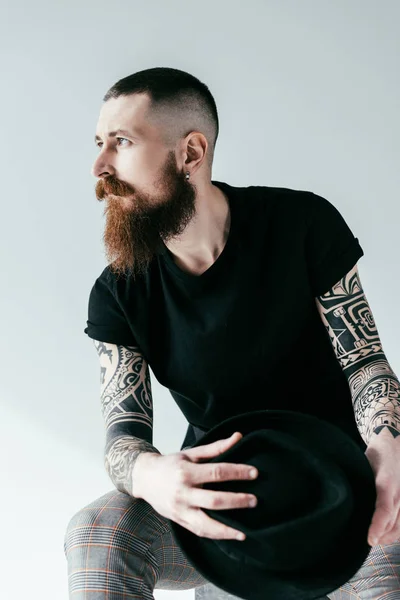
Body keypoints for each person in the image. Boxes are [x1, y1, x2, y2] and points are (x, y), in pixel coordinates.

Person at [64, 67, 400, 599]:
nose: (99, 167)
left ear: (191, 154)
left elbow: (365, 364)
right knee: (98, 532)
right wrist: (152, 475)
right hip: (222, 514)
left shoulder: (301, 223)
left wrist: (391, 448)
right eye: (99, 144)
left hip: (347, 497)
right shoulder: (118, 291)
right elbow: (123, 436)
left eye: (122, 143)